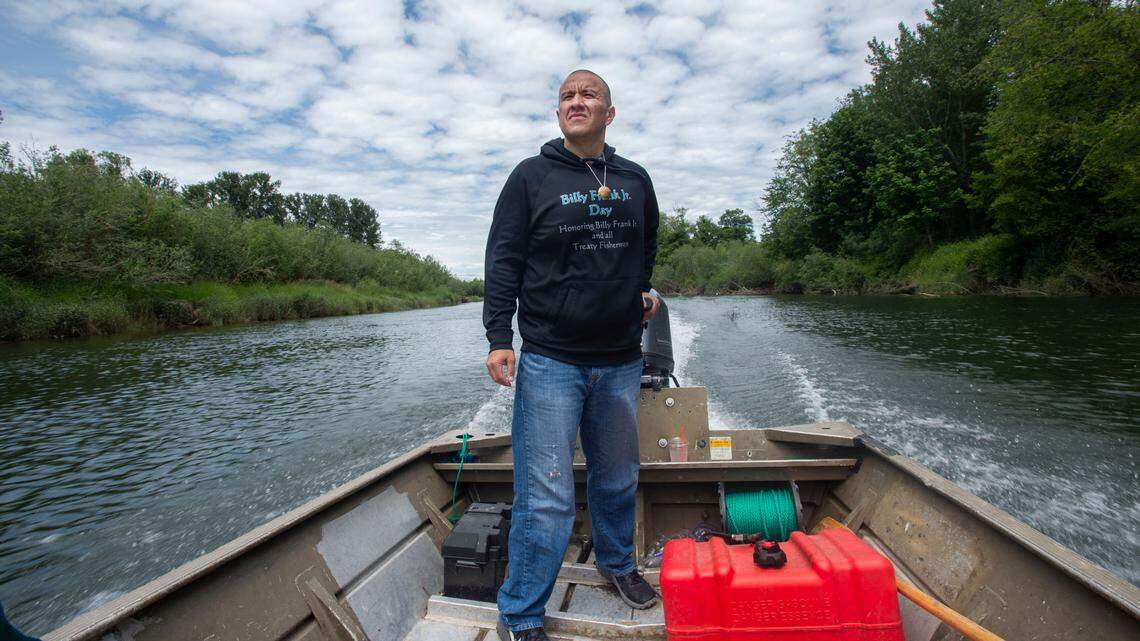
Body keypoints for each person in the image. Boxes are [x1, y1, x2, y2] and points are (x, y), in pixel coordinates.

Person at [482, 69, 661, 641]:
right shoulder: (530, 177)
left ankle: (616, 564)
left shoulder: (635, 179)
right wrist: (498, 338)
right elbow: (503, 259)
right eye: (567, 96)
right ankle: (522, 612)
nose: (576, 101)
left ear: (609, 113)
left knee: (616, 479)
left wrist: (642, 292)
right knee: (547, 494)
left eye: (589, 95)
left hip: (620, 358)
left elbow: (644, 248)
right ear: (559, 114)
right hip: (551, 359)